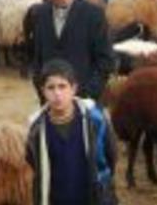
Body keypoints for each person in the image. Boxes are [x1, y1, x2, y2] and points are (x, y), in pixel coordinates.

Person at [26, 59, 118, 205]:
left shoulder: (95, 119)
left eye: (62, 86)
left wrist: (102, 183)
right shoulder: (37, 130)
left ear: (73, 88)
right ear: (43, 91)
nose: (57, 94)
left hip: (93, 197)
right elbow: (33, 162)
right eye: (51, 88)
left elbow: (110, 155)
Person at [30, 0, 113, 101]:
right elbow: (37, 59)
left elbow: (105, 61)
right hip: (50, 103)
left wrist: (88, 95)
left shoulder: (93, 15)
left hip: (83, 101)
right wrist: (43, 92)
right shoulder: (40, 15)